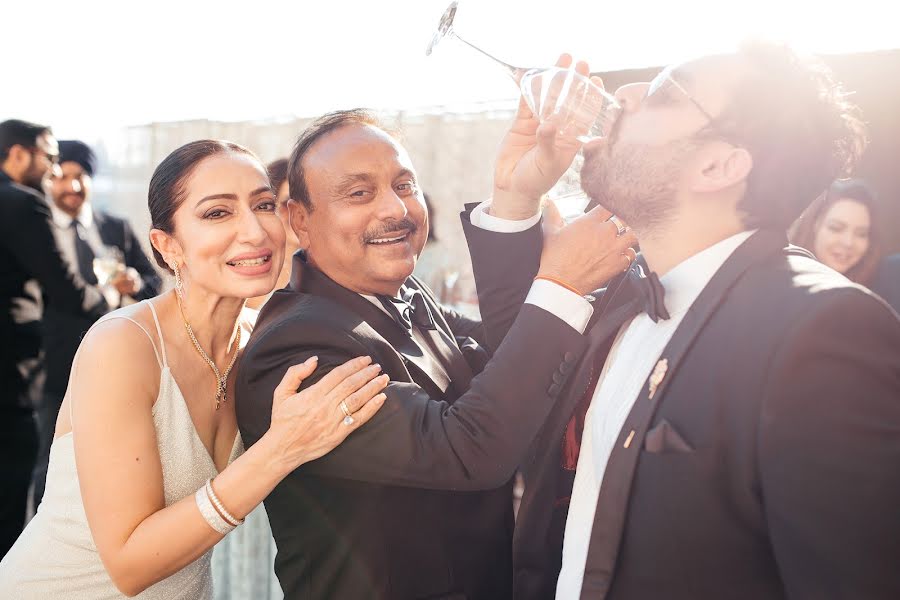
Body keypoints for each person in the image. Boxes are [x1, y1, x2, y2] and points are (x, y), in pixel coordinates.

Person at [462, 45, 900, 598]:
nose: (623, 96)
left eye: (665, 93)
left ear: (719, 165)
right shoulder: (625, 292)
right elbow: (522, 372)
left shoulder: (821, 330)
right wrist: (515, 195)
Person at [235, 109, 636, 599]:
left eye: (403, 186)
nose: (395, 210)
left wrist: (515, 198)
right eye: (360, 193)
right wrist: (561, 284)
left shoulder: (399, 291)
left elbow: (506, 354)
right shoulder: (295, 348)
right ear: (299, 218)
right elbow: (466, 450)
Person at [0, 139, 387, 599]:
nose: (255, 232)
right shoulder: (123, 344)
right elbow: (129, 563)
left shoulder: (264, 346)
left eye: (263, 205)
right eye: (217, 213)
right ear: (167, 246)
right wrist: (281, 450)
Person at [32, 139, 163, 507]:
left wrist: (135, 283)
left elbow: (154, 282)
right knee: (49, 462)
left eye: (82, 176)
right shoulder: (38, 230)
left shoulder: (114, 227)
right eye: (64, 177)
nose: (72, 186)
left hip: (115, 364)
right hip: (53, 368)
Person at [0, 119, 110, 557]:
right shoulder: (24, 204)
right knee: (12, 499)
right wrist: (110, 297)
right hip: (11, 377)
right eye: (48, 157)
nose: (52, 171)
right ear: (20, 154)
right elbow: (66, 289)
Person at [790, 178, 883, 285]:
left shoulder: (874, 294)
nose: (848, 242)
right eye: (836, 228)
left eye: (861, 234)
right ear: (814, 225)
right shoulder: (778, 279)